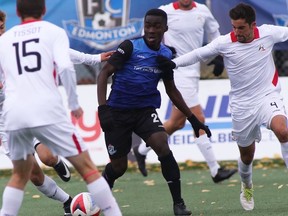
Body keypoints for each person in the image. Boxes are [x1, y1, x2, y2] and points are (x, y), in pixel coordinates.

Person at [156, 2, 288, 211]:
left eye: (241, 28)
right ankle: (247, 185)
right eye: (234, 27)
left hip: (267, 96)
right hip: (241, 106)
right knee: (247, 156)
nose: (237, 32)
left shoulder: (268, 33)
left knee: (283, 131)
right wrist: (173, 64)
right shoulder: (225, 42)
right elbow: (199, 54)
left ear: (253, 25)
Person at [0, 1, 122, 216]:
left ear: (16, 13)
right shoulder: (52, 31)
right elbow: (65, 65)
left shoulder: (7, 41)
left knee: (20, 174)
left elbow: (64, 56)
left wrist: (93, 58)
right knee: (86, 168)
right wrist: (74, 104)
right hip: (44, 110)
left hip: (14, 114)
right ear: (44, 10)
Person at [97, 8, 212, 216]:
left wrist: (193, 119)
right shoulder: (130, 47)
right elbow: (104, 73)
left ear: (165, 29)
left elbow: (171, 90)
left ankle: (179, 204)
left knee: (162, 145)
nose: (151, 30)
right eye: (148, 25)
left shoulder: (166, 55)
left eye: (156, 26)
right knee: (119, 167)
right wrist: (103, 108)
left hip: (144, 112)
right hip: (117, 112)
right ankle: (103, 189)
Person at [133, 0, 237, 183]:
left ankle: (141, 151)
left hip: (194, 71)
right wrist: (163, 50)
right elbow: (146, 36)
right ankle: (215, 170)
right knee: (198, 119)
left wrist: (217, 58)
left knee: (176, 123)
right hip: (177, 71)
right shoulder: (164, 12)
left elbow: (214, 34)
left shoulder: (203, 11)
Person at [35, 48, 114, 182]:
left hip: (42, 110)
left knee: (48, 158)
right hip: (13, 115)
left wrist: (96, 58)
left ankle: (60, 168)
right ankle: (75, 199)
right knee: (26, 175)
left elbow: (65, 59)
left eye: (2, 26)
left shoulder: (39, 39)